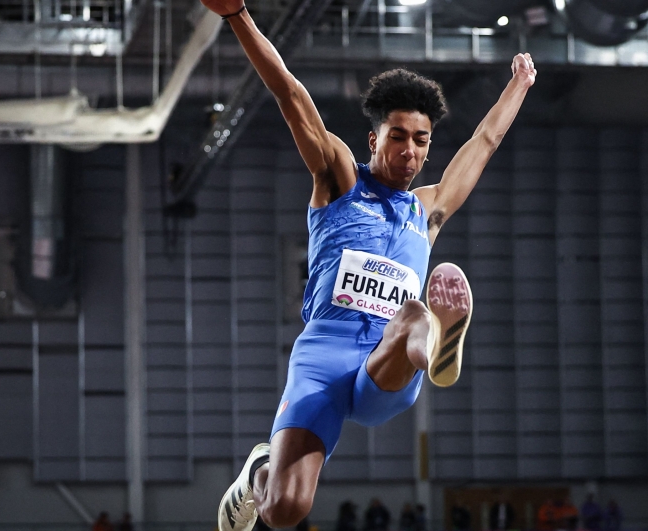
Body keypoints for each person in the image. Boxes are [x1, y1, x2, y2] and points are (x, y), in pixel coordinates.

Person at [201, 0, 537, 530]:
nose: (409, 151)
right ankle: (258, 472)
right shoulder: (339, 179)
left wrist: (520, 82)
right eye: (398, 137)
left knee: (412, 313)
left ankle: (437, 351)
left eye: (421, 141)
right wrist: (238, 15)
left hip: (389, 360)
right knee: (285, 512)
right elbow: (290, 94)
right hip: (323, 356)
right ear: (374, 139)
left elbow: (486, 141)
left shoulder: (427, 211)